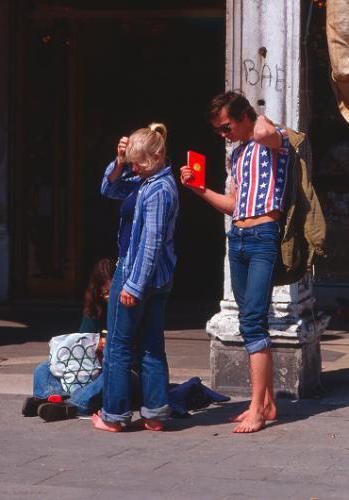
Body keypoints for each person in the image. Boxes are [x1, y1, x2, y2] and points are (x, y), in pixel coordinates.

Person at [180, 91, 290, 433]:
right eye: (218, 131)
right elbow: (234, 205)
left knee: (254, 322)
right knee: (248, 321)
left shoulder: (275, 138)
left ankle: (257, 408)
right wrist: (199, 190)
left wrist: (254, 115)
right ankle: (266, 402)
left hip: (263, 237)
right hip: (239, 239)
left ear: (245, 116)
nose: (223, 135)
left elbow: (262, 133)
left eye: (226, 127)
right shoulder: (238, 155)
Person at [94, 122, 179, 433]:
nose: (135, 169)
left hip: (136, 274)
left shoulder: (158, 188)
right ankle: (155, 412)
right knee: (151, 346)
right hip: (152, 277)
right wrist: (118, 163)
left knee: (118, 345)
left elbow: (152, 242)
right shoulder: (145, 181)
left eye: (137, 163)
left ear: (156, 157)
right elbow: (109, 188)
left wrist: (133, 286)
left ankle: (113, 415)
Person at [22, 257, 115, 420]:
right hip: (90, 364)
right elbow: (81, 341)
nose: (107, 297)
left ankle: (73, 405)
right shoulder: (95, 308)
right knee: (44, 368)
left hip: (113, 365)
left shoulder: (126, 310)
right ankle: (53, 399)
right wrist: (93, 345)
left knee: (113, 375)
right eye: (104, 293)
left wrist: (110, 346)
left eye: (111, 292)